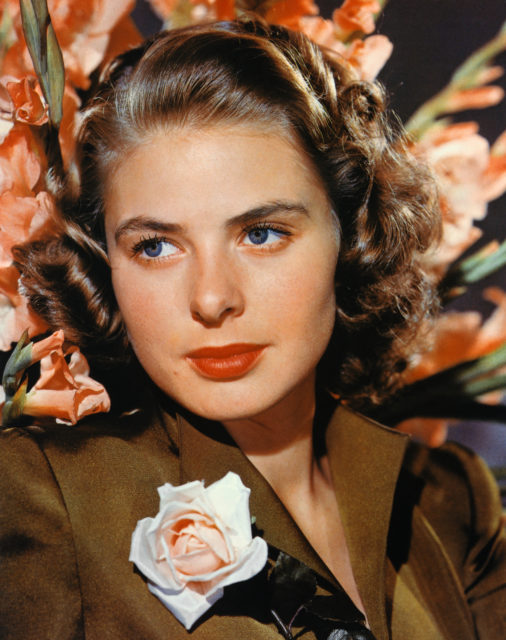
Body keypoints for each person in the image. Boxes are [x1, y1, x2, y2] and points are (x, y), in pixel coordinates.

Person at [1, 17, 504, 640]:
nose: (212, 299)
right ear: (107, 263)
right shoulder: (40, 496)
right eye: (156, 246)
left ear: (348, 235)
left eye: (261, 234)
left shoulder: (449, 503)